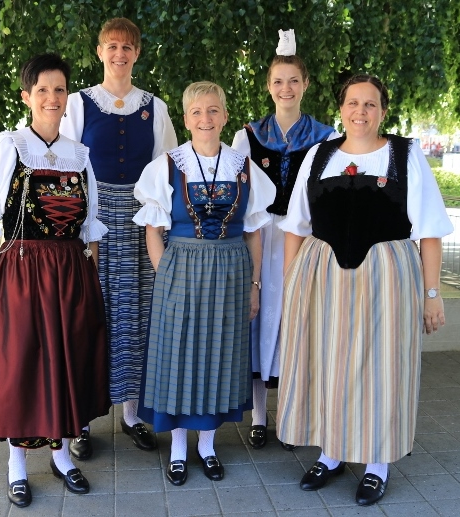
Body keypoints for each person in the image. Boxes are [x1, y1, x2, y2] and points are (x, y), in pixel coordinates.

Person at [276, 74, 454, 506]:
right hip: (323, 277)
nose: (361, 111)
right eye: (353, 103)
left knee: (383, 367)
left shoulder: (406, 155)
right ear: (341, 109)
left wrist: (432, 295)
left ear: (383, 111)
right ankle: (332, 453)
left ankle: (377, 463)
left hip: (388, 276)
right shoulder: (319, 155)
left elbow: (430, 232)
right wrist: (292, 285)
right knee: (328, 363)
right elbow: (296, 226)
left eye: (370, 104)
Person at [0, 53, 111, 508]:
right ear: (27, 96)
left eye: (59, 89)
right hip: (23, 271)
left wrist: (91, 277)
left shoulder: (80, 155)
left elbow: (91, 227)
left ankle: (62, 458)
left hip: (71, 272)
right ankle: (17, 466)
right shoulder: (8, 146)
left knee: (68, 361)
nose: (52, 97)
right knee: (22, 367)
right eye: (43, 90)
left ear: (68, 97)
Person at [133, 81, 276, 486]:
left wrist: (254, 285)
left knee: (219, 356)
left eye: (213, 110)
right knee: (179, 357)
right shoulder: (166, 165)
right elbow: (153, 229)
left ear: (225, 116)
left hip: (231, 273)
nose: (205, 119)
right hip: (180, 269)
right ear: (186, 119)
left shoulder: (243, 167)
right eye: (197, 112)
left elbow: (254, 233)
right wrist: (165, 275)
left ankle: (208, 446)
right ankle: (179, 448)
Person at [60, 17, 178, 459]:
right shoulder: (78, 103)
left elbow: (167, 168)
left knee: (137, 313)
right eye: (111, 46)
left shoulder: (155, 107)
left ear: (137, 53)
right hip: (92, 217)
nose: (119, 53)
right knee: (89, 312)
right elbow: (65, 165)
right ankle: (81, 421)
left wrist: (162, 227)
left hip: (140, 218)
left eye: (127, 47)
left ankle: (131, 415)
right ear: (100, 52)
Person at [231, 29, 339, 450]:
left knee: (298, 324)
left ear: (306, 84)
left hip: (305, 239)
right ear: (268, 85)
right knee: (259, 322)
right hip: (261, 236)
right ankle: (259, 417)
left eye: (294, 80)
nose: (286, 88)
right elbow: (239, 194)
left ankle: (295, 416)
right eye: (278, 81)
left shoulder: (326, 137)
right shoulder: (249, 136)